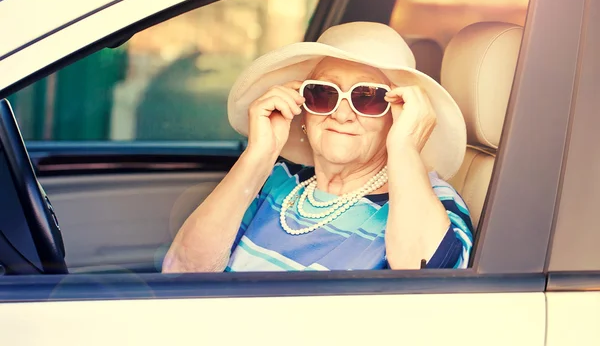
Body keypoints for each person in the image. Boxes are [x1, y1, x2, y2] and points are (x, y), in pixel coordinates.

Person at [162, 22, 473, 272]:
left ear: (398, 115)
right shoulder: (277, 182)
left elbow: (425, 285)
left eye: (368, 97)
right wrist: (259, 154)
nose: (341, 113)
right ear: (303, 107)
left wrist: (404, 148)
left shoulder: (433, 201)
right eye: (323, 93)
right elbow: (183, 271)